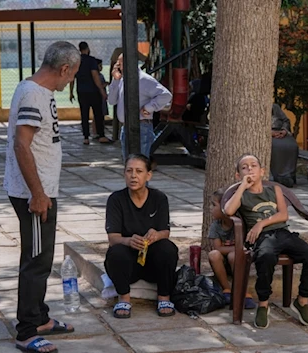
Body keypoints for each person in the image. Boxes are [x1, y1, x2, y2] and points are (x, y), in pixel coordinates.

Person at [4, 41, 80, 353]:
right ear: (64, 69)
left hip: (43, 191)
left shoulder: (40, 92)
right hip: (34, 194)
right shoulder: (34, 93)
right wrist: (37, 193)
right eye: (72, 75)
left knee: (43, 258)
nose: (70, 81)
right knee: (36, 261)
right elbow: (22, 146)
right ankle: (26, 331)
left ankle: (40, 318)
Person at [224, 154, 308, 329]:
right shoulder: (241, 194)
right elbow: (228, 210)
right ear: (238, 175)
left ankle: (302, 301)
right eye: (244, 167)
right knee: (266, 257)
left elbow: (283, 215)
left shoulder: (274, 189)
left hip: (282, 233)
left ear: (262, 171)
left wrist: (261, 223)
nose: (249, 169)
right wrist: (242, 186)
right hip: (261, 239)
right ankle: (263, 304)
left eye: (253, 166)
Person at [104, 154, 179, 319]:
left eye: (139, 171)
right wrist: (128, 241)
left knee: (168, 248)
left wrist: (156, 235)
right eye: (129, 171)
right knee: (115, 252)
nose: (133, 176)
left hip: (152, 262)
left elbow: (165, 232)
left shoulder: (159, 198)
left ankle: (164, 297)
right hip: (128, 263)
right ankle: (123, 298)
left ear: (148, 175)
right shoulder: (116, 199)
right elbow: (113, 237)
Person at [108, 54, 173, 160]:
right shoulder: (122, 80)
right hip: (126, 127)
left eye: (121, 63)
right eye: (118, 64)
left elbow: (166, 95)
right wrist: (115, 80)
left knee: (140, 163)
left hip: (142, 127)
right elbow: (111, 100)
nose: (119, 66)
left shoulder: (144, 79)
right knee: (128, 164)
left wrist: (149, 107)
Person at [207, 189, 256, 309]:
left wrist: (236, 250)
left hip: (239, 261)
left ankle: (242, 291)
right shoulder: (216, 226)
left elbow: (247, 246)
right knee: (214, 254)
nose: (210, 208)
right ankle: (227, 289)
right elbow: (217, 247)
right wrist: (236, 248)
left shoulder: (241, 224)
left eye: (214, 205)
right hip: (223, 263)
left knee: (233, 255)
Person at [69, 41, 110, 145]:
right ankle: (101, 135)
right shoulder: (91, 61)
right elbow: (95, 76)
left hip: (81, 91)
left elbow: (72, 78)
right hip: (93, 91)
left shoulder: (76, 62)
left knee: (84, 114)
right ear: (87, 48)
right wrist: (102, 91)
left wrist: (71, 92)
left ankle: (86, 137)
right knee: (98, 113)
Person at [270, 104, 298, 188]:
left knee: (292, 145)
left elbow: (286, 120)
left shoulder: (275, 107)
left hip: (280, 132)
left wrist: (284, 131)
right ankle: (279, 175)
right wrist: (269, 133)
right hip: (269, 135)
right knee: (277, 147)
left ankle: (290, 174)